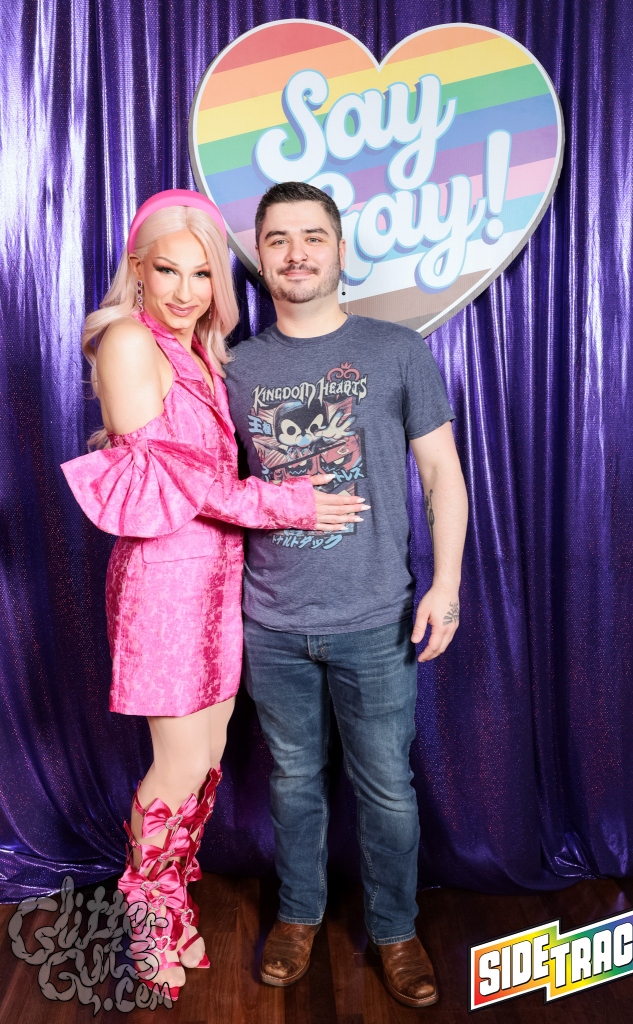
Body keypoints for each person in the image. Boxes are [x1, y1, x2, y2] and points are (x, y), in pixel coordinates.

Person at [61, 189, 364, 1001]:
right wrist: (291, 503)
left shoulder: (200, 350)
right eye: (169, 270)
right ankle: (147, 919)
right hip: (164, 583)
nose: (186, 290)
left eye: (202, 274)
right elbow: (176, 478)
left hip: (219, 580)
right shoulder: (129, 339)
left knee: (204, 764)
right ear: (138, 268)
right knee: (177, 762)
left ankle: (171, 904)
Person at [225, 181, 469, 1009]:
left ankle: (395, 930)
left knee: (386, 788)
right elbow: (210, 489)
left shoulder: (394, 351)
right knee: (293, 780)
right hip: (270, 621)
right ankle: (298, 916)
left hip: (373, 618)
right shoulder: (235, 368)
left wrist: (446, 584)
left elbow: (441, 474)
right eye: (278, 239)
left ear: (338, 249)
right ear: (260, 256)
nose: (296, 253)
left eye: (312, 237)